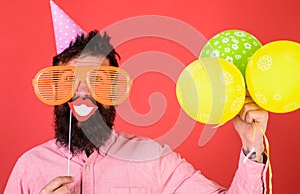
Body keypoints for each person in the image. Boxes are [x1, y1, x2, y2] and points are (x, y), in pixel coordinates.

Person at [4, 30, 268, 194]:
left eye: (99, 81)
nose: (82, 93)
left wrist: (251, 145)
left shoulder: (153, 159)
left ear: (114, 95)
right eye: (68, 81)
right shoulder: (30, 166)